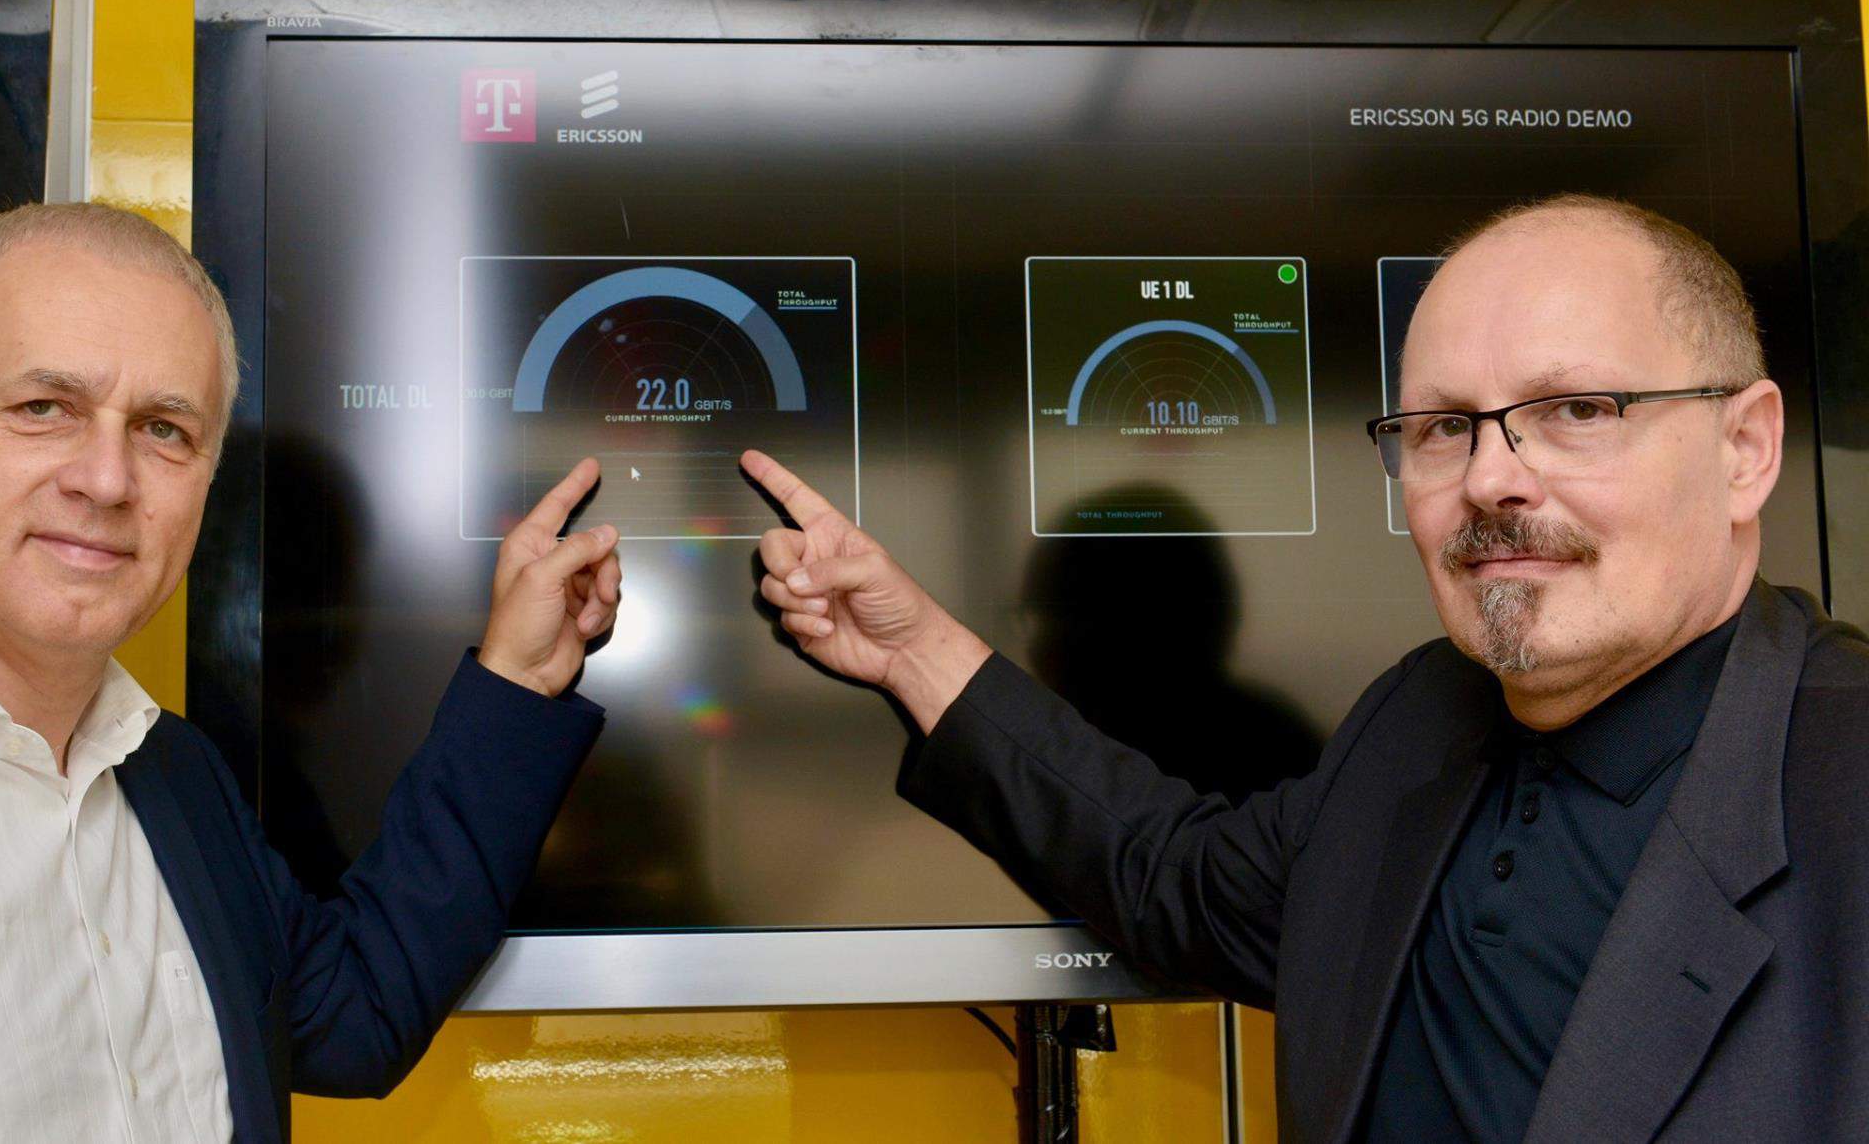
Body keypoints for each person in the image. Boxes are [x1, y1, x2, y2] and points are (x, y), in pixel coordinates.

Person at [745, 194, 1869, 1142]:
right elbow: (1172, 878)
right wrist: (910, 648)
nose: (1490, 479)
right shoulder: (1416, 718)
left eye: (1575, 409)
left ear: (1744, 448)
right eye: (1442, 428)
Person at [0, 203, 624, 1144]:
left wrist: (517, 676)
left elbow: (353, 1016)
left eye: (164, 429)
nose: (106, 480)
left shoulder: (177, 775)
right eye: (45, 408)